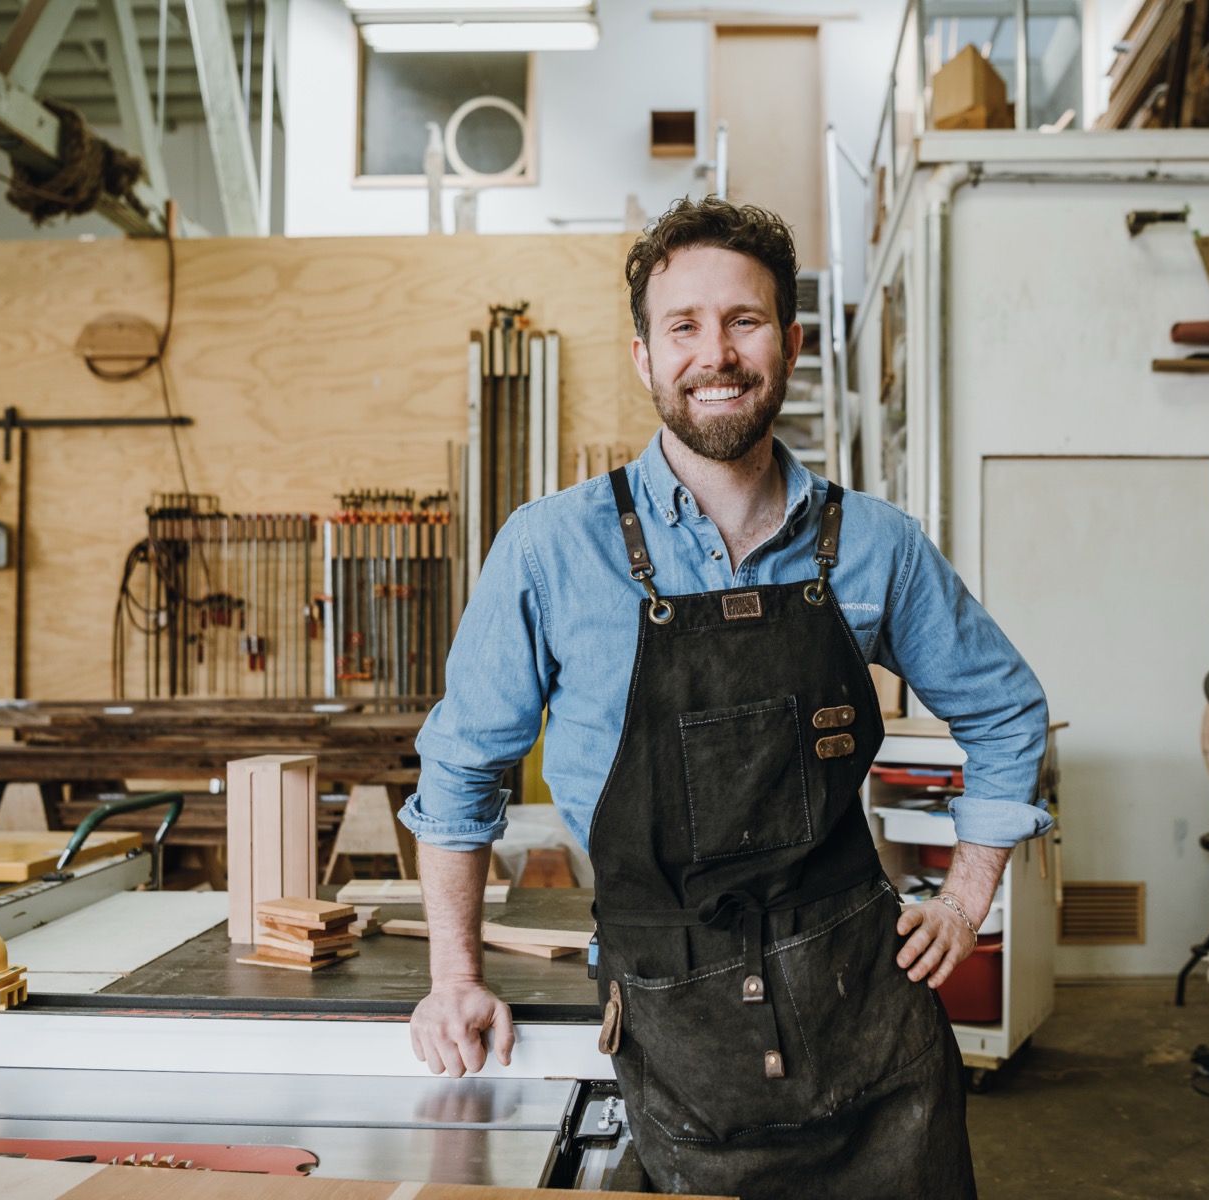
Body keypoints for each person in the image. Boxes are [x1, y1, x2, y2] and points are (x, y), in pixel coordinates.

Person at [402, 197, 1048, 1199]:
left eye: (745, 321)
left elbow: (1007, 711)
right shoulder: (550, 550)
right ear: (644, 357)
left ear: (790, 343)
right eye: (684, 327)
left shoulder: (874, 545)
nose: (717, 354)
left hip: (871, 1029)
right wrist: (454, 980)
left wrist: (966, 900)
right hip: (673, 1024)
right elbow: (460, 774)